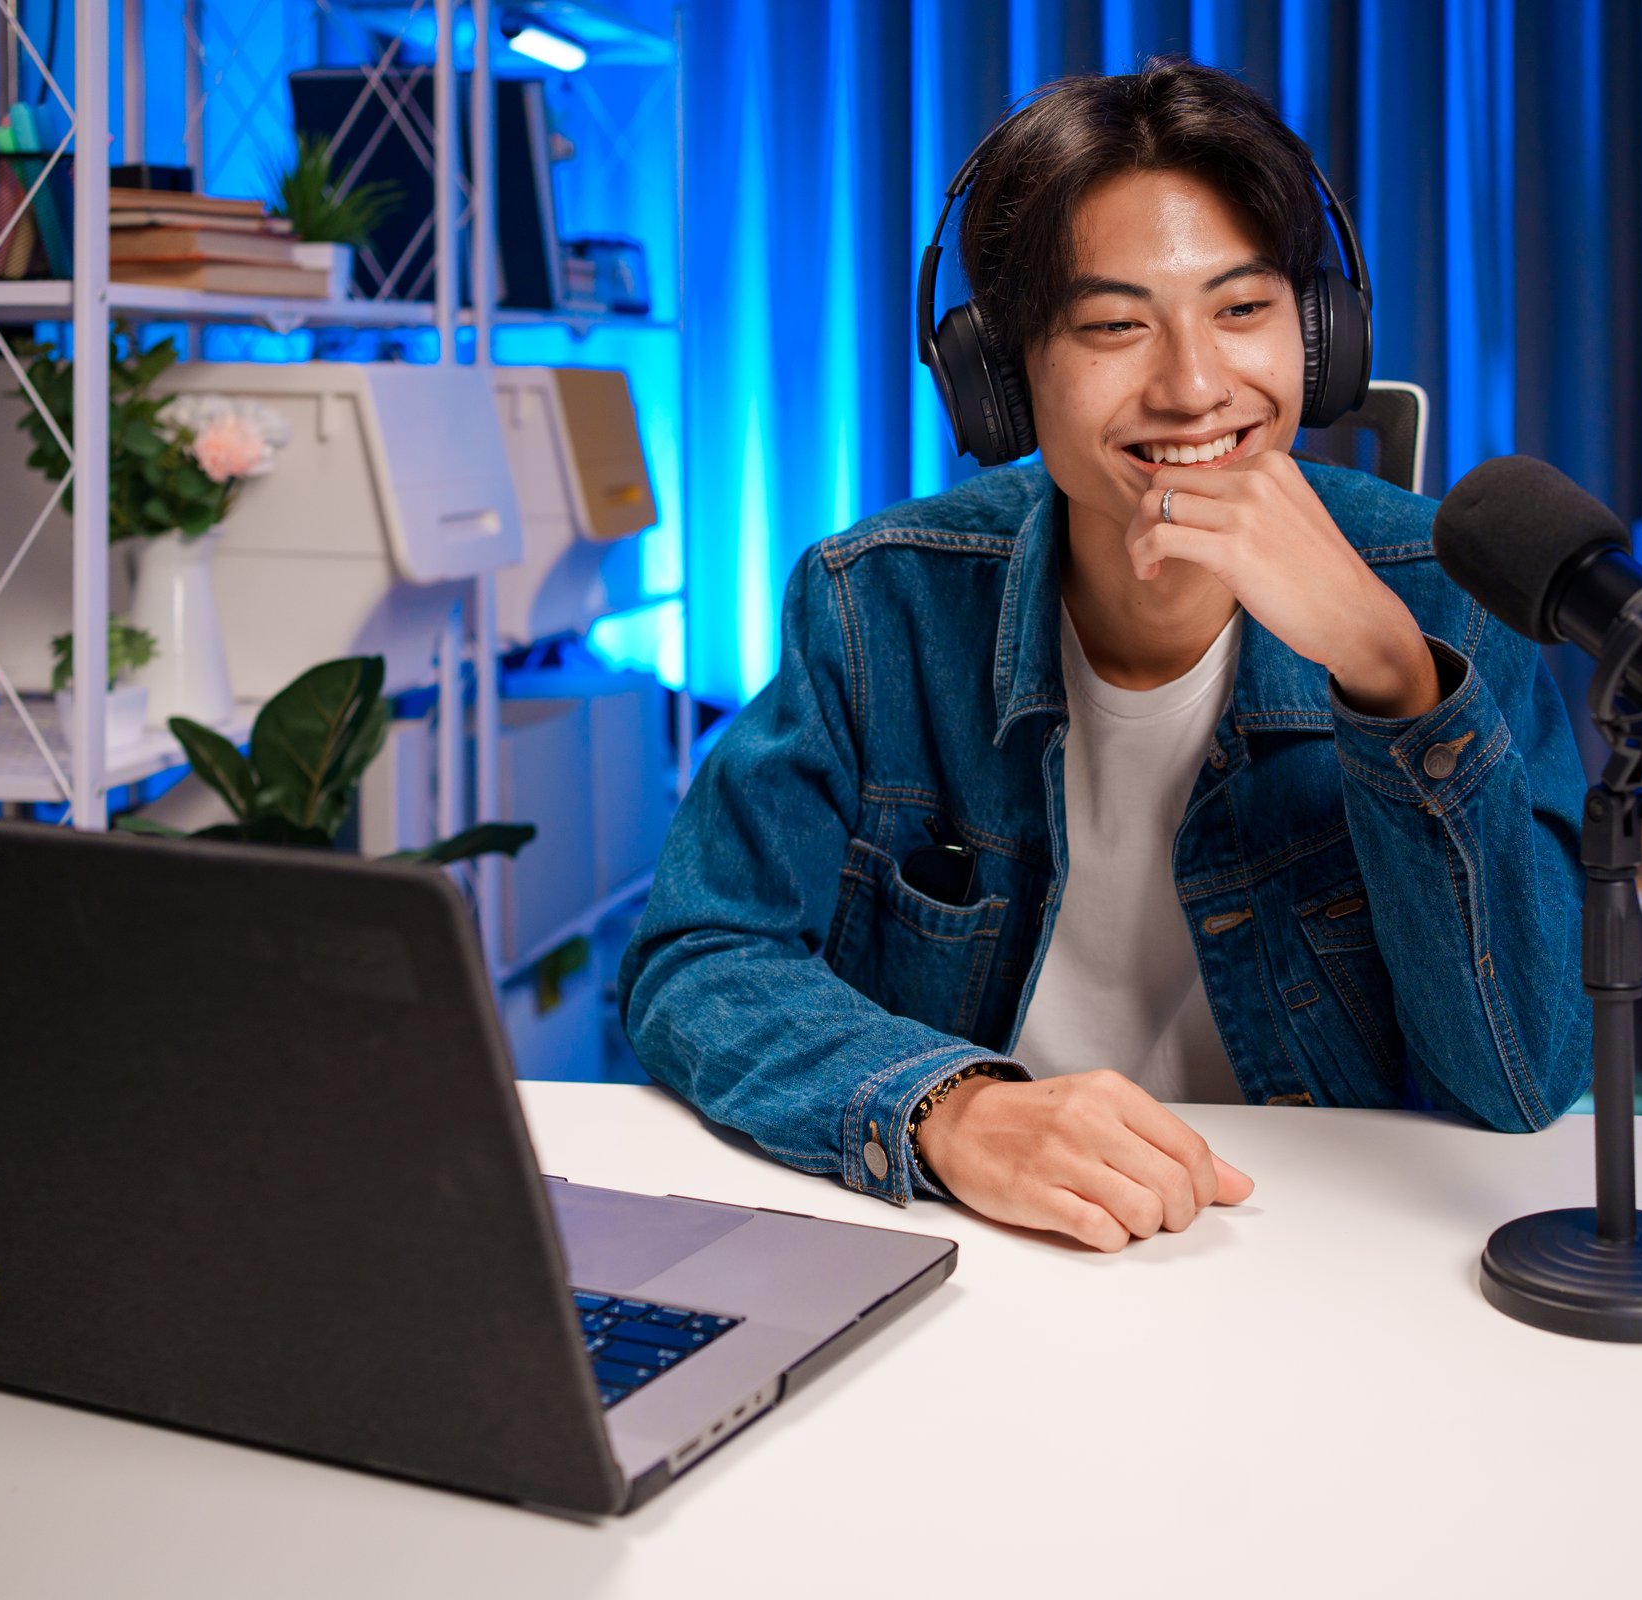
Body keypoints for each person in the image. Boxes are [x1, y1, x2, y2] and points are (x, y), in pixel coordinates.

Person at [617, 59, 1591, 1253]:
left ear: (1320, 340)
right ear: (1004, 379)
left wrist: (1395, 678)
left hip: (1328, 1265)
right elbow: (699, 954)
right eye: (1115, 326)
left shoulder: (1449, 594)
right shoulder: (880, 602)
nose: (1193, 388)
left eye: (1243, 311)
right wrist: (950, 1112)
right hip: (995, 1256)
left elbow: (1524, 1080)